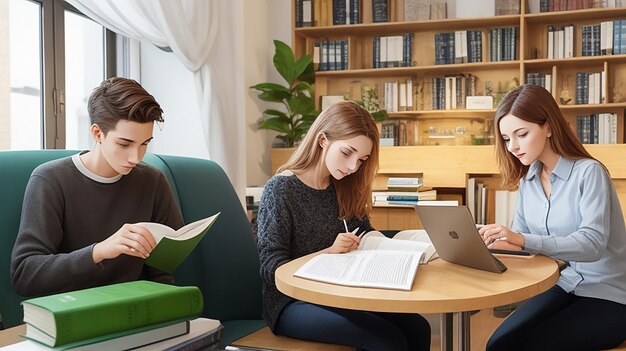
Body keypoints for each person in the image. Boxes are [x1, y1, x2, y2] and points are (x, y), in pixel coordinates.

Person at [257, 101, 431, 351]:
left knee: (418, 327)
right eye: (347, 153)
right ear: (322, 140)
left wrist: (392, 248)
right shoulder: (281, 189)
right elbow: (270, 267)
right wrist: (327, 252)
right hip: (290, 303)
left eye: (361, 159)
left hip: (338, 292)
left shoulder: (342, 184)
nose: (353, 166)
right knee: (386, 340)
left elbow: (365, 232)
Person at [479, 84, 626, 351]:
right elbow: (521, 244)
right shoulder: (529, 181)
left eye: (521, 134)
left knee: (529, 346)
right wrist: (493, 244)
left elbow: (592, 244)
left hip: (609, 295)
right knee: (498, 345)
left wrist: (521, 240)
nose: (513, 146)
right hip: (564, 284)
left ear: (548, 127)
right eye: (506, 138)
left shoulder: (589, 173)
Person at [11, 77, 184, 297]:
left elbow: (163, 273)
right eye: (124, 144)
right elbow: (25, 275)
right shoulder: (50, 180)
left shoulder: (153, 181)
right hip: (74, 313)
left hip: (139, 309)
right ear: (96, 133)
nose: (136, 157)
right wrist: (99, 251)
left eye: (144, 144)